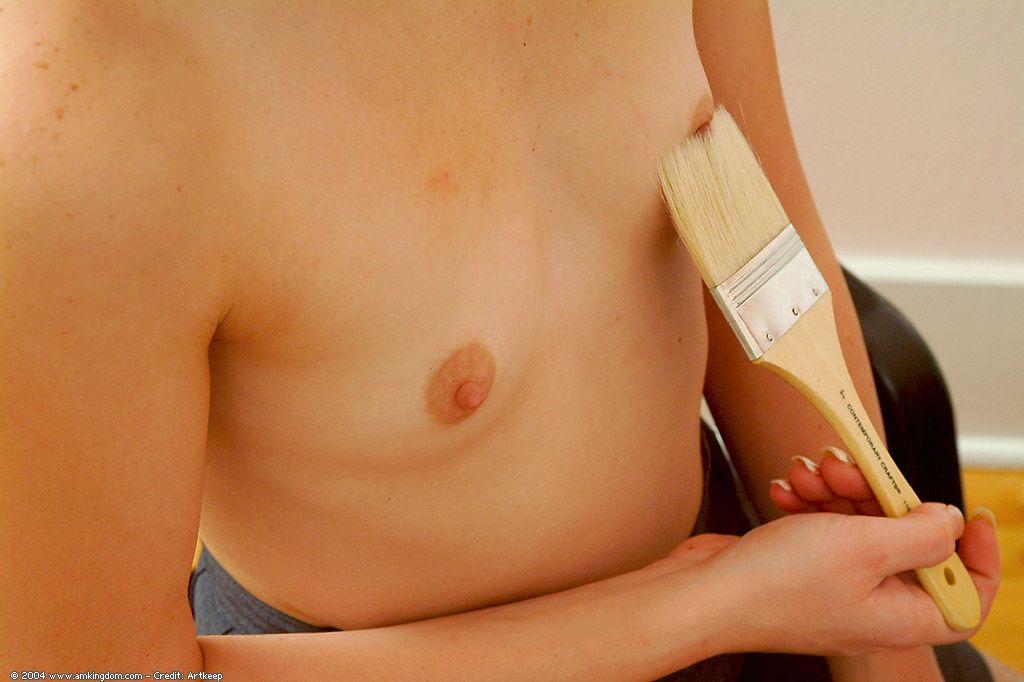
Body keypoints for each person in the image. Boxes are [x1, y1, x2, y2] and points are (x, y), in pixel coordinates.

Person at [1, 2, 1007, 680]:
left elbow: (765, 254)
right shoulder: (78, 110)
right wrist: (704, 608)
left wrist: (885, 649)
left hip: (765, 591)